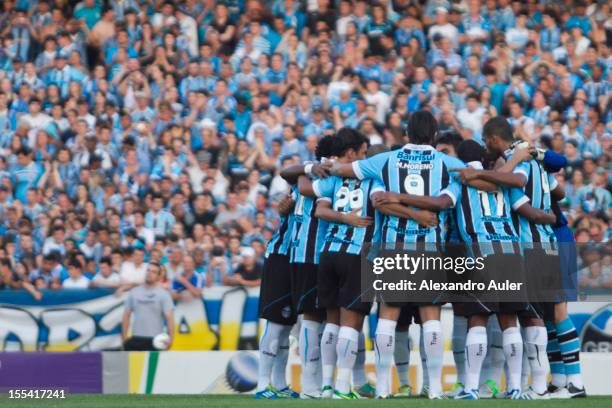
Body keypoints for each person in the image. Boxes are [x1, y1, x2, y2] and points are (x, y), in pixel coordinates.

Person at [121, 262, 174, 351]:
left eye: (153, 272)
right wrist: (124, 337)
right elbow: (126, 315)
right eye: (148, 270)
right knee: (135, 365)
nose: (149, 273)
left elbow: (170, 318)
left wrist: (171, 339)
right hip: (136, 338)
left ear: (158, 276)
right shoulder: (134, 292)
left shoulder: (163, 294)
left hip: (156, 340)